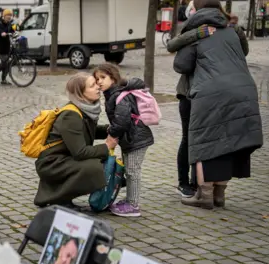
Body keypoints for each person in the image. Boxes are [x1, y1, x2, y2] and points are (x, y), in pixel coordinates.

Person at [174, 0, 262, 209]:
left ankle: (202, 194)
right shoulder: (232, 30)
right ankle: (219, 194)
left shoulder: (199, 32)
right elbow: (243, 52)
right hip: (241, 90)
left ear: (198, 10)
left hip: (204, 95)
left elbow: (181, 64)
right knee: (227, 141)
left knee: (201, 142)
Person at [34, 73, 117, 208]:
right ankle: (59, 199)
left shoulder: (84, 109)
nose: (98, 87)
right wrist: (106, 146)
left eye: (96, 83)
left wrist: (109, 129)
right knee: (94, 167)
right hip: (52, 163)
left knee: (97, 162)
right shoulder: (70, 115)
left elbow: (85, 131)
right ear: (80, 94)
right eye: (92, 86)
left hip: (63, 159)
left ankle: (63, 197)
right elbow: (80, 152)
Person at [94, 63, 154, 218]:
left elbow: (122, 120)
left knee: (133, 171)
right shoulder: (112, 94)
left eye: (103, 77)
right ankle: (129, 200)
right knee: (129, 169)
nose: (99, 81)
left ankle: (133, 205)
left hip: (136, 139)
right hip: (129, 139)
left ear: (113, 78)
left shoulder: (119, 95)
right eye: (96, 78)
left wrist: (112, 133)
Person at [167, 25, 217, 198]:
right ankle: (183, 182)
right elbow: (172, 45)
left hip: (209, 95)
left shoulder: (221, 34)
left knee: (204, 140)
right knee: (188, 138)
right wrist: (197, 33)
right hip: (188, 94)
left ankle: (199, 182)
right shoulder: (194, 32)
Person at [0, 9, 14, 85]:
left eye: (10, 15)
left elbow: (12, 31)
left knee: (7, 62)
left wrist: (15, 33)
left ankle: (3, 79)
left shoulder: (9, 23)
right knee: (4, 62)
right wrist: (2, 33)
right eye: (8, 15)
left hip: (6, 45)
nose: (9, 17)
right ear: (4, 16)